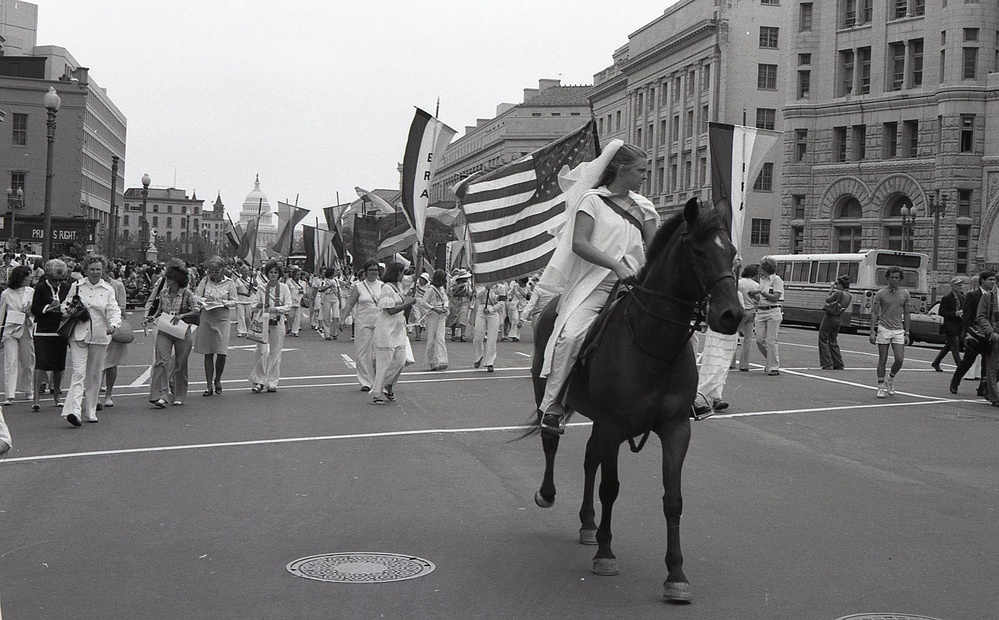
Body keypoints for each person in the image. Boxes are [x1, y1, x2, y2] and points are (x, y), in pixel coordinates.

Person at [536, 141, 659, 433]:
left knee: (677, 329)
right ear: (621, 169)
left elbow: (656, 249)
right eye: (640, 170)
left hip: (637, 286)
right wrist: (615, 265)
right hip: (597, 284)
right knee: (570, 336)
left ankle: (684, 395)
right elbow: (579, 243)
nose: (645, 176)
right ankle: (554, 404)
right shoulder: (592, 201)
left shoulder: (644, 206)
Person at [60, 255, 122, 426]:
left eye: (98, 269)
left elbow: (114, 310)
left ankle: (91, 410)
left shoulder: (108, 289)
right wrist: (70, 309)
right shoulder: (77, 286)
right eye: (92, 269)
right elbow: (65, 305)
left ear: (103, 271)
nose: (95, 272)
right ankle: (74, 411)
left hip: (100, 335)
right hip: (79, 334)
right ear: (86, 270)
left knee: (94, 374)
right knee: (78, 372)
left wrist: (114, 324)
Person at [146, 259, 198, 408]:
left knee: (180, 363)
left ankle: (179, 395)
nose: (167, 281)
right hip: (165, 328)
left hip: (182, 330)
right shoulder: (163, 293)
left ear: (177, 279)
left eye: (170, 278)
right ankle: (160, 395)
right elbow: (160, 310)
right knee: (161, 361)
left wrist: (182, 316)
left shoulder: (187, 294)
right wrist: (152, 317)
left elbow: (196, 310)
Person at [370, 262, 416, 404]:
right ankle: (377, 392)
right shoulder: (387, 288)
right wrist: (408, 303)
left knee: (400, 360)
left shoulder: (400, 286)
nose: (404, 275)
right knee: (385, 361)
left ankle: (389, 384)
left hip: (398, 327)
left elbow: (416, 276)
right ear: (397, 273)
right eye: (402, 272)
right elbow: (390, 310)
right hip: (386, 327)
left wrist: (419, 257)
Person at [30, 259, 71, 411]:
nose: (57, 283)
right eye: (54, 280)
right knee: (40, 362)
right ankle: (36, 399)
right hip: (42, 330)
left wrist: (65, 309)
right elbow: (34, 308)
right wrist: (48, 307)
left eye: (60, 280)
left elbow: (71, 304)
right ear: (48, 276)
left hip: (60, 330)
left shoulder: (66, 287)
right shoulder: (41, 287)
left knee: (59, 364)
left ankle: (57, 396)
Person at [194, 256, 237, 396]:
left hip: (222, 317)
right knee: (208, 351)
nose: (214, 273)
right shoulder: (205, 281)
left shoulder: (229, 283)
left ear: (222, 270)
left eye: (217, 271)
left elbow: (234, 301)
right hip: (207, 316)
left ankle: (217, 379)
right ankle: (208, 385)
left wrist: (225, 302)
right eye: (211, 270)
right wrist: (204, 300)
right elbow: (196, 296)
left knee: (221, 351)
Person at [249, 260, 291, 393]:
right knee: (261, 351)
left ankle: (272, 381)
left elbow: (288, 306)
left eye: (275, 272)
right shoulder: (261, 288)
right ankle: (259, 381)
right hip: (263, 322)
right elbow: (253, 304)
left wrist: (275, 309)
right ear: (267, 273)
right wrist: (258, 306)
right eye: (271, 272)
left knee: (275, 352)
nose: (273, 274)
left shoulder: (284, 288)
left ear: (279, 274)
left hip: (277, 321)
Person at [869, 265, 911, 398]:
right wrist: (872, 331)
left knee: (899, 359)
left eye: (897, 278)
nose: (894, 280)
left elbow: (907, 313)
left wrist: (907, 332)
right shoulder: (881, 293)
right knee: (883, 358)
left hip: (898, 329)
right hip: (884, 328)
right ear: (887, 278)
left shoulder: (905, 294)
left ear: (900, 279)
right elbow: (874, 312)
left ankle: (890, 379)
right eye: (892, 277)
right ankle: (880, 386)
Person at [340, 259, 382, 392]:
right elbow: (350, 303)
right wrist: (343, 319)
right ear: (366, 271)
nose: (373, 272)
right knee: (362, 352)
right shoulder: (359, 287)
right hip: (363, 322)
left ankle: (378, 379)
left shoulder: (383, 286)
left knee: (378, 352)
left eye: (375, 270)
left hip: (380, 322)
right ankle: (365, 381)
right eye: (371, 270)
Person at [0, 266, 36, 406]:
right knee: (11, 361)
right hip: (11, 330)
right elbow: (1, 314)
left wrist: (30, 312)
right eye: (28, 276)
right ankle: (9, 394)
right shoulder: (6, 294)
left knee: (28, 361)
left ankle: (28, 389)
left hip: (26, 328)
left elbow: (35, 310)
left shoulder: (31, 292)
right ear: (21, 277)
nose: (30, 278)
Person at [951, 273, 988, 395]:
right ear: (983, 281)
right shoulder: (973, 295)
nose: (993, 282)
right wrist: (967, 332)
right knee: (968, 360)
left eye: (994, 280)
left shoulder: (992, 296)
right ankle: (955, 382)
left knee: (986, 362)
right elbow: (966, 316)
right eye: (990, 280)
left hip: (987, 333)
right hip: (974, 333)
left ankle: (982, 388)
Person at [100, 263, 129, 409]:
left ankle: (108, 394)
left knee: (111, 363)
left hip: (113, 327)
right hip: (98, 327)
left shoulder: (117, 286)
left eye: (102, 271)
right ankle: (95, 395)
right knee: (97, 362)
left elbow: (122, 308)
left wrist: (113, 318)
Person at [755, 257, 784, 376]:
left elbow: (775, 297)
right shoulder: (762, 280)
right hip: (761, 311)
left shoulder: (776, 280)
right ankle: (770, 360)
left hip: (773, 311)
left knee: (771, 340)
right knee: (759, 340)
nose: (759, 270)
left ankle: (774, 366)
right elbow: (762, 298)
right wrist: (754, 296)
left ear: (765, 269)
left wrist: (761, 292)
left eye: (761, 268)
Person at [818, 274, 853, 370]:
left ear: (841, 284)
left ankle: (827, 363)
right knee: (833, 340)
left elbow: (828, 300)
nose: (836, 285)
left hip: (830, 317)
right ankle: (838, 363)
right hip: (839, 318)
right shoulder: (850, 295)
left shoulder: (839, 293)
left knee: (823, 338)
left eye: (837, 284)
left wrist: (831, 289)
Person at [932, 276, 966, 372]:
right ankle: (960, 367)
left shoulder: (962, 297)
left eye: (961, 285)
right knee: (955, 346)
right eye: (958, 285)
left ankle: (936, 362)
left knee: (948, 346)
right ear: (953, 286)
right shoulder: (946, 298)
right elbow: (942, 312)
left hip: (959, 325)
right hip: (950, 326)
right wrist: (954, 314)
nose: (961, 287)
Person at [472, 280, 506, 372]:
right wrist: (486, 288)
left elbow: (502, 302)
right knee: (478, 335)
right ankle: (478, 357)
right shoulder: (481, 284)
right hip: (481, 309)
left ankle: (489, 362)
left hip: (493, 311)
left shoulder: (501, 287)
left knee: (492, 338)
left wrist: (491, 309)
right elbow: (478, 296)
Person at [976, 272, 999, 406]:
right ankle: (995, 397)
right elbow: (981, 317)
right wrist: (991, 332)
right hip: (994, 336)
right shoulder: (989, 297)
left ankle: (987, 383)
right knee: (992, 366)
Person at [734, 264, 760, 372]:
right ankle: (744, 364)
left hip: (740, 310)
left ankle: (731, 362)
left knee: (734, 335)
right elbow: (758, 299)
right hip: (751, 310)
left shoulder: (738, 283)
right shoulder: (756, 285)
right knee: (748, 339)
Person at [422, 269, 449, 371]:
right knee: (431, 339)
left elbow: (445, 299)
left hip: (441, 314)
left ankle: (441, 360)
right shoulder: (430, 289)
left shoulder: (441, 289)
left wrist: (445, 306)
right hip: (432, 315)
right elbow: (424, 302)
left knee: (440, 338)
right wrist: (433, 308)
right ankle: (432, 361)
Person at [316, 267, 342, 340]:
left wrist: (340, 301)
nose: (335, 273)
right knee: (326, 317)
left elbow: (338, 291)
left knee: (335, 316)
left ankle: (334, 332)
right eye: (334, 272)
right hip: (327, 298)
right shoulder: (325, 281)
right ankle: (327, 334)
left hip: (335, 298)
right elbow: (321, 289)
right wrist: (329, 286)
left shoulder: (336, 280)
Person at [447, 270, 472, 342]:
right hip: (455, 301)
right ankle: (453, 333)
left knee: (463, 317)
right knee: (453, 317)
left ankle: (463, 334)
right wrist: (458, 288)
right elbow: (450, 292)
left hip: (464, 301)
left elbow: (470, 293)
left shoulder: (468, 284)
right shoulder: (454, 283)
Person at [286, 270, 307, 337]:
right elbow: (286, 291)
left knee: (298, 316)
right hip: (291, 300)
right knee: (290, 316)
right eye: (297, 274)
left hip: (299, 300)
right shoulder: (289, 281)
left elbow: (305, 292)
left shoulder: (303, 283)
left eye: (299, 274)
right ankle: (290, 328)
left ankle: (295, 331)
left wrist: (302, 292)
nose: (299, 276)